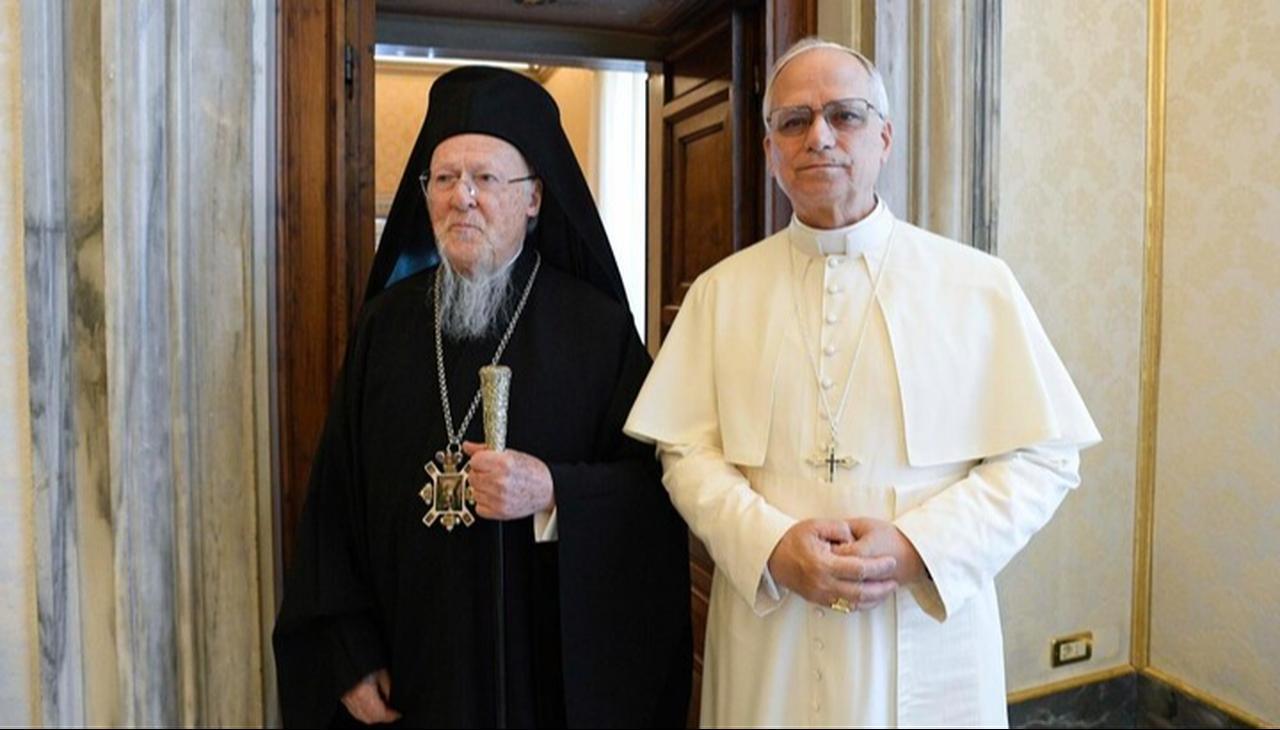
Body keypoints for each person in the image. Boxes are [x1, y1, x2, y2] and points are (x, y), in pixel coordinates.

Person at [624, 38, 1101, 727]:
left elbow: (1045, 455)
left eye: (844, 115)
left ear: (884, 138)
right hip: (773, 628)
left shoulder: (976, 285)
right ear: (768, 153)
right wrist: (771, 546)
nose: (819, 136)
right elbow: (685, 452)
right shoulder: (720, 294)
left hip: (923, 635)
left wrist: (919, 547)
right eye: (793, 121)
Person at [274, 66, 691, 728]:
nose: (462, 197)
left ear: (533, 198)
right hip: (409, 673)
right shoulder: (386, 325)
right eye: (444, 179)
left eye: (487, 179)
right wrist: (346, 652)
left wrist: (553, 490)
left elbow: (655, 494)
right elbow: (335, 504)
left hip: (543, 680)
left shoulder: (596, 328)